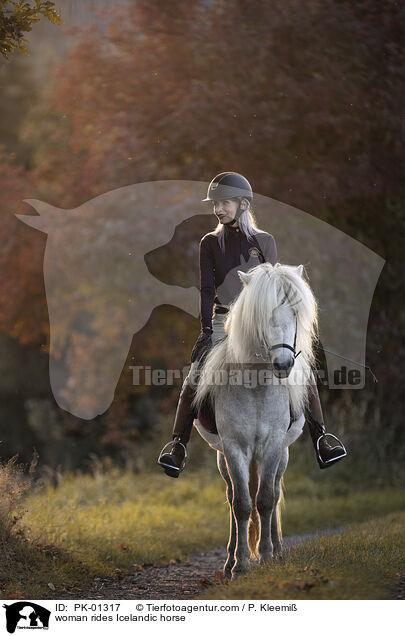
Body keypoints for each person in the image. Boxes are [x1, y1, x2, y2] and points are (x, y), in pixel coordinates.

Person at [158, 172, 346, 477]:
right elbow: (207, 290)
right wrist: (207, 330)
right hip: (223, 321)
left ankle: (321, 438)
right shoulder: (209, 243)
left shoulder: (265, 241)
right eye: (215, 204)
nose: (218, 209)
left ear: (243, 204)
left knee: (304, 371)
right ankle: (178, 444)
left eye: (225, 203)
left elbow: (272, 288)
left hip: (259, 324)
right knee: (194, 374)